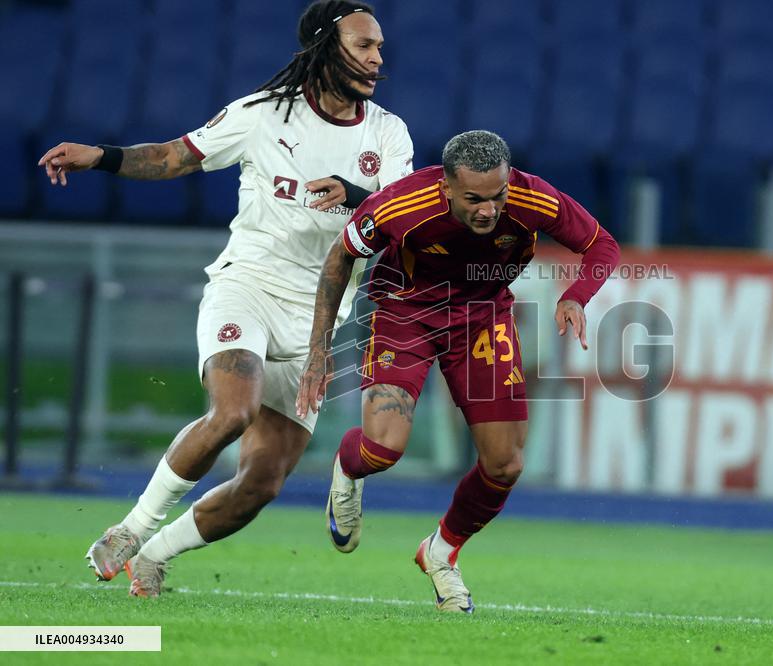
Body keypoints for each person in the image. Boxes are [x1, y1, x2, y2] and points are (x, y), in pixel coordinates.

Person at [36, 0, 414, 596]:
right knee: (234, 411)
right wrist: (102, 157)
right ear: (325, 48)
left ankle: (155, 555)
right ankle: (132, 528)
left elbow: (401, 218)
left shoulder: (387, 132)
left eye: (379, 47)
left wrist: (354, 193)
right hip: (249, 286)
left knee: (261, 484)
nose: (376, 58)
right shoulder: (262, 114)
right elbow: (175, 156)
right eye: (364, 45)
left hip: (319, 314)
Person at [296, 130, 620, 613]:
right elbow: (342, 254)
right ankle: (348, 465)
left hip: (483, 318)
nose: (489, 210)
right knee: (382, 449)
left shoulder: (533, 197)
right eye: (474, 199)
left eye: (498, 195)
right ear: (445, 187)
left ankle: (441, 551)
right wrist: (319, 349)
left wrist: (575, 297)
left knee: (505, 465)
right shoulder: (400, 205)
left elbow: (602, 245)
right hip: (407, 314)